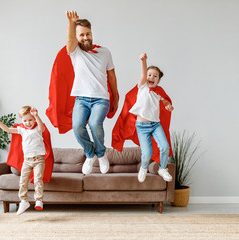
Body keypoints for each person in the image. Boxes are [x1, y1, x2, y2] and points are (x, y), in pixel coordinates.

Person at [65, 10, 119, 175]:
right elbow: (70, 40)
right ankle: (90, 154)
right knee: (77, 126)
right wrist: (71, 23)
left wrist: (115, 97)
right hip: (81, 99)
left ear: (92, 33)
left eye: (87, 34)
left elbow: (112, 76)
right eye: (81, 35)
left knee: (95, 124)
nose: (85, 37)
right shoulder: (75, 53)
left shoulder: (105, 52)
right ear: (77, 37)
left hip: (101, 98)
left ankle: (101, 154)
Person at [0, 106, 49, 215]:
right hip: (27, 161)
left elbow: (41, 127)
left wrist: (36, 115)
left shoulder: (38, 129)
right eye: (25, 121)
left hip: (39, 160)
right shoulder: (22, 130)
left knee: (38, 179)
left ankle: (38, 200)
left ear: (34, 119)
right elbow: (8, 129)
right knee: (23, 181)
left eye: (30, 120)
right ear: (21, 121)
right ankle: (24, 201)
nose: (28, 123)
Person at [129, 53, 174, 183]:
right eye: (150, 75)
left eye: (155, 76)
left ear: (158, 80)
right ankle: (143, 168)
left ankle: (162, 168)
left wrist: (168, 105)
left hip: (155, 125)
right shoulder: (142, 87)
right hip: (142, 127)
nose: (151, 77)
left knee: (165, 147)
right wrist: (144, 61)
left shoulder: (159, 91)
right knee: (147, 153)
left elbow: (164, 100)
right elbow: (144, 74)